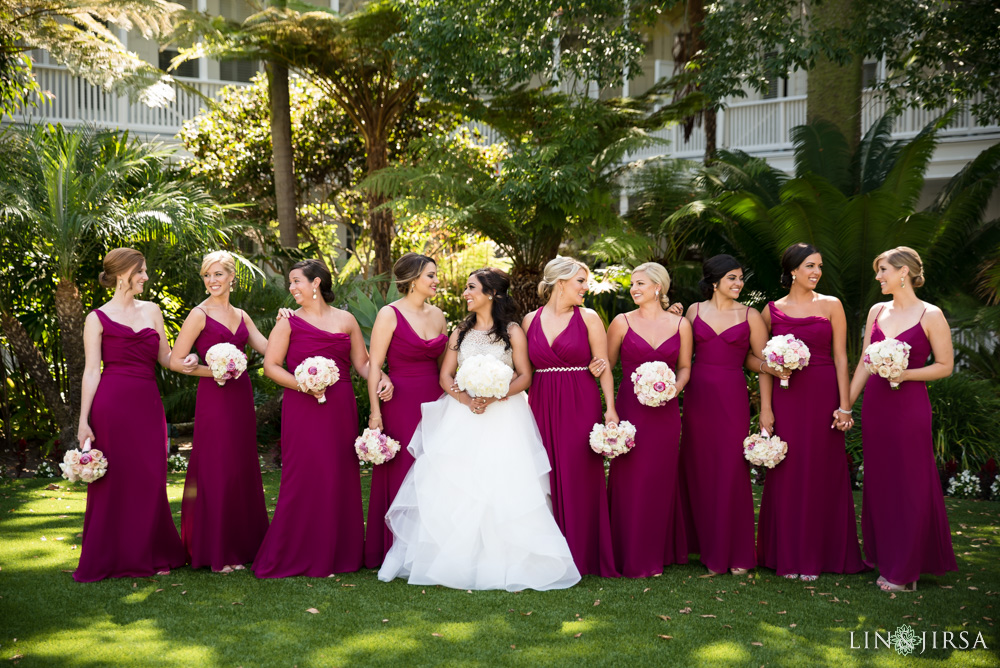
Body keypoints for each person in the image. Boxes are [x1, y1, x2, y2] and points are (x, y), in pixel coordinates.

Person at [379, 268, 580, 591]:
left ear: (491, 294)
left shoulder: (513, 331)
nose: (465, 293)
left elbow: (525, 375)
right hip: (462, 416)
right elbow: (445, 376)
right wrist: (464, 398)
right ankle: (456, 560)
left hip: (505, 417)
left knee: (504, 484)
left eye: (471, 287)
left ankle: (505, 561)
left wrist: (495, 394)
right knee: (459, 485)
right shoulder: (460, 331)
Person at [253, 260, 392, 578]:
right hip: (302, 407)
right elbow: (271, 366)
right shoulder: (288, 323)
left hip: (339, 407)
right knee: (303, 475)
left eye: (296, 281)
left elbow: (362, 363)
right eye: (290, 282)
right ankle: (296, 551)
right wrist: (303, 384)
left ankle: (341, 552)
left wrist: (382, 378)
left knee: (338, 474)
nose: (291, 288)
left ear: (316, 283)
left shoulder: (346, 320)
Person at [74, 248, 195, 582]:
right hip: (111, 406)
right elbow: (91, 372)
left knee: (150, 477)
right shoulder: (95, 318)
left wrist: (187, 363)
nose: (145, 277)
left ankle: (150, 552)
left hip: (146, 404)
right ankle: (111, 556)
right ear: (124, 273)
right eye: (141, 271)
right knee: (113, 480)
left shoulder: (152, 310)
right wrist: (84, 420)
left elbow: (166, 358)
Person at [847, 247, 957, 592]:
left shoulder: (931, 314)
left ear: (903, 272)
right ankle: (886, 557)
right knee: (881, 482)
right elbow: (866, 361)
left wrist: (902, 373)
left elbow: (945, 365)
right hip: (876, 408)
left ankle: (906, 570)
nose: (878, 277)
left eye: (883, 270)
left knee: (909, 483)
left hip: (909, 408)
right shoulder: (877, 311)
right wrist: (845, 405)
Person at [756, 243, 866, 581]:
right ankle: (787, 554)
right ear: (792, 270)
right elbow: (761, 364)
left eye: (819, 266)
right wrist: (766, 408)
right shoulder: (769, 311)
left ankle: (825, 554)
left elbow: (842, 358)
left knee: (822, 470)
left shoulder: (832, 305)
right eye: (809, 266)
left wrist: (844, 405)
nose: (816, 272)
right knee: (788, 471)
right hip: (787, 397)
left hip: (823, 395)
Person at [168, 251, 270, 573]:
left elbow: (269, 349)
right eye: (207, 276)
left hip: (240, 397)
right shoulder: (198, 314)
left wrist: (290, 322)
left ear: (231, 277)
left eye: (218, 275)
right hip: (214, 397)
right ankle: (217, 551)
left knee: (240, 466)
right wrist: (214, 372)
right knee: (218, 467)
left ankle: (243, 546)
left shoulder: (242, 315)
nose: (212, 281)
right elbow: (175, 359)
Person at [678, 254, 775, 577]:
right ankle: (706, 547)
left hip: (731, 397)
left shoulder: (750, 316)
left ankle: (736, 552)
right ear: (715, 281)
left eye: (740, 278)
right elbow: (679, 351)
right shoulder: (693, 311)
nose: (739, 283)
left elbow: (759, 363)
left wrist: (766, 408)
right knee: (700, 469)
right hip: (698, 398)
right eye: (732, 278)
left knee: (731, 471)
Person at [523, 256, 619, 577]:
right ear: (561, 282)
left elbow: (603, 365)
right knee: (542, 475)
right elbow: (523, 371)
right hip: (541, 402)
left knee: (579, 475)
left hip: (580, 400)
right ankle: (546, 554)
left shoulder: (589, 318)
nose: (585, 287)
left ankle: (582, 553)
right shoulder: (528, 321)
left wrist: (610, 409)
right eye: (580, 281)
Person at [605, 262, 692, 577]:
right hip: (631, 411)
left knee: (659, 479)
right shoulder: (621, 322)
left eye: (640, 283)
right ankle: (625, 550)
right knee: (631, 479)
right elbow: (607, 365)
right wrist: (608, 408)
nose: (634, 289)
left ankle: (657, 550)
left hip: (665, 414)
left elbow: (684, 367)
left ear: (658, 287)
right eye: (632, 284)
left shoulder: (681, 324)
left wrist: (673, 388)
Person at [364, 253, 448, 568]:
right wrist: (375, 411)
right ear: (413, 279)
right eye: (430, 275)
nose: (436, 280)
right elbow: (375, 365)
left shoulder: (439, 315)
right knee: (402, 470)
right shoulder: (390, 314)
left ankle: (429, 546)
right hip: (399, 402)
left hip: (434, 401)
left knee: (433, 470)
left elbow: (444, 368)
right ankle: (394, 547)